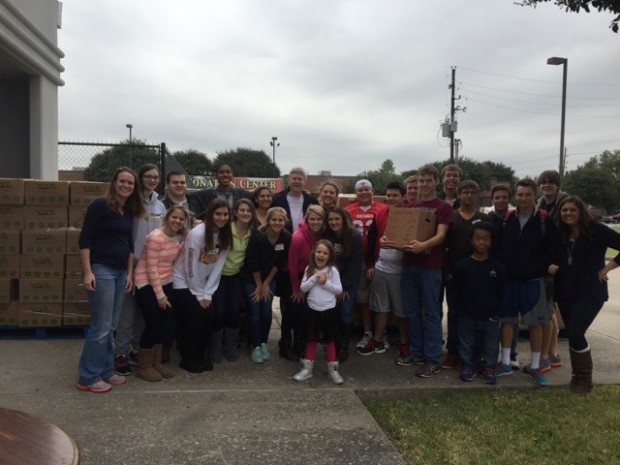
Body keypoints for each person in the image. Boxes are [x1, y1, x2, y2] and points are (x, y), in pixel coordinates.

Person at [76, 167, 145, 393]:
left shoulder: (127, 212)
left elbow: (130, 246)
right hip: (101, 270)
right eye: (122, 181)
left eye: (130, 183)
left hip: (119, 273)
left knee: (111, 326)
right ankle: (88, 377)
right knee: (101, 326)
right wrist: (88, 272)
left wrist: (128, 274)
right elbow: (85, 239)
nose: (126, 186)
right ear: (114, 183)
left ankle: (105, 371)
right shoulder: (100, 206)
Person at [548, 196, 620, 394]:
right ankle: (576, 377)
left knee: (576, 332)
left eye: (572, 210)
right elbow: (552, 257)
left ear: (581, 211)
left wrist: (606, 269)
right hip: (565, 292)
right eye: (564, 210)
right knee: (572, 334)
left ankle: (585, 380)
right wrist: (551, 266)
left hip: (590, 293)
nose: (568, 213)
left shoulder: (597, 231)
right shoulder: (560, 233)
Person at [495, 179, 556, 386]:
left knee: (535, 324)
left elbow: (552, 249)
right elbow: (500, 249)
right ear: (516, 196)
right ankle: (504, 363)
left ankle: (536, 365)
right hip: (510, 280)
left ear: (534, 195)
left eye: (527, 194)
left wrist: (544, 267)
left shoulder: (544, 220)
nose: (523, 198)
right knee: (507, 322)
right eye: (520, 194)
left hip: (533, 280)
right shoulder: (507, 219)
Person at [400, 164, 453, 378]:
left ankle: (432, 358)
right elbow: (402, 235)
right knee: (412, 311)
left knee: (431, 313)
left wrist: (423, 246)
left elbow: (441, 236)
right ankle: (416, 352)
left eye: (428, 180)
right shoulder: (411, 206)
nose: (424, 184)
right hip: (409, 265)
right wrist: (390, 241)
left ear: (436, 182)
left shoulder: (443, 207)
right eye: (421, 180)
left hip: (430, 267)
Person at [114, 163, 167, 377]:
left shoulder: (160, 206)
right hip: (133, 264)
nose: (152, 180)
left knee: (145, 314)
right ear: (141, 178)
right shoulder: (132, 203)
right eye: (148, 176)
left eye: (155, 177)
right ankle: (120, 353)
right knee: (127, 313)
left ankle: (137, 350)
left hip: (152, 267)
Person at [172, 198, 232, 374]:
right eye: (218, 214)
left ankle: (199, 355)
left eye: (225, 214)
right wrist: (199, 294)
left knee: (209, 318)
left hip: (203, 285)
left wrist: (208, 292)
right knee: (196, 317)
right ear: (210, 214)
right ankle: (188, 357)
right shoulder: (197, 234)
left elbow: (218, 267)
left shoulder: (224, 235)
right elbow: (190, 267)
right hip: (183, 281)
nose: (222, 218)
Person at [133, 206, 187, 382]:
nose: (177, 221)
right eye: (174, 217)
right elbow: (151, 268)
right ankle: (144, 366)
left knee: (165, 323)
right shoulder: (155, 237)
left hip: (166, 281)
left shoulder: (177, 237)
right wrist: (160, 296)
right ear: (167, 217)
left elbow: (175, 255)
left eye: (181, 219)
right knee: (153, 323)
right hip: (146, 282)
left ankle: (156, 362)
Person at [359, 182, 409, 363]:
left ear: (403, 197)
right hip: (381, 267)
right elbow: (372, 239)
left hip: (401, 270)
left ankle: (405, 343)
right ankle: (377, 340)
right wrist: (371, 264)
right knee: (380, 307)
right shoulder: (381, 213)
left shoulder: (410, 215)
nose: (391, 198)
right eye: (389, 195)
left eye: (395, 195)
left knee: (401, 309)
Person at [441, 180, 489, 369]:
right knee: (454, 315)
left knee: (476, 315)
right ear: (459, 195)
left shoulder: (484, 219)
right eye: (465, 192)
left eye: (472, 192)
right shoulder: (450, 217)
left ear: (477, 195)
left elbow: (490, 248)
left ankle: (476, 353)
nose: (468, 195)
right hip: (454, 276)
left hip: (478, 276)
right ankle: (453, 352)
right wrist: (446, 272)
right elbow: (442, 247)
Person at [453, 222, 506, 385]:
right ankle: (467, 366)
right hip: (467, 314)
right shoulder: (462, 266)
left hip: (490, 315)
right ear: (471, 241)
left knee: (490, 344)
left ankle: (488, 366)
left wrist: (496, 311)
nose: (482, 242)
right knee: (466, 343)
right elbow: (456, 290)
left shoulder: (497, 267)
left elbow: (501, 291)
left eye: (486, 239)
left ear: (491, 241)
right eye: (478, 238)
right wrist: (459, 309)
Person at [211, 198, 259, 363]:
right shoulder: (225, 229)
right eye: (242, 210)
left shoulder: (253, 233)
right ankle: (215, 347)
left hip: (236, 276)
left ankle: (230, 346)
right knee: (218, 311)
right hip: (219, 276)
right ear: (235, 213)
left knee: (233, 310)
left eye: (249, 211)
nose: (245, 213)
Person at [243, 207, 291, 363]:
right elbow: (252, 261)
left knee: (266, 312)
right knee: (255, 312)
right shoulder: (258, 237)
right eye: (274, 219)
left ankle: (263, 343)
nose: (277, 222)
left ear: (285, 222)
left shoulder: (286, 237)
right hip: (252, 278)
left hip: (270, 279)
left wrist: (267, 283)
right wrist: (258, 285)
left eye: (280, 220)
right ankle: (255, 345)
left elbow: (279, 262)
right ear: (268, 221)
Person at [345, 179, 389, 349]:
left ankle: (381, 331)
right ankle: (367, 332)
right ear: (356, 193)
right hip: (359, 260)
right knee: (363, 299)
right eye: (360, 190)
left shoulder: (383, 208)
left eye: (367, 189)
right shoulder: (348, 210)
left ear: (373, 191)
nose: (364, 192)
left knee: (380, 298)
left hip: (380, 259)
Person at [293, 240, 344, 384]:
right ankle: (307, 369)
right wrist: (315, 278)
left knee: (330, 340)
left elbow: (339, 290)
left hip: (329, 311)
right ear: (314, 253)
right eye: (319, 252)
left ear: (330, 256)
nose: (321, 255)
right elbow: (303, 288)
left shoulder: (332, 270)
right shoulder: (309, 269)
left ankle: (333, 370)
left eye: (325, 253)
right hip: (312, 310)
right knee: (311, 338)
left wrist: (325, 283)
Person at [535, 170, 570, 372]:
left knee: (549, 309)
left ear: (557, 185)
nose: (547, 185)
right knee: (550, 308)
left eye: (551, 182)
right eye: (543, 182)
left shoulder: (566, 203)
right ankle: (553, 351)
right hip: (546, 260)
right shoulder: (541, 204)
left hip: (559, 260)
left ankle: (549, 353)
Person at [285, 204, 326, 360]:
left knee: (305, 317)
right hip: (294, 278)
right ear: (307, 219)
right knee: (292, 315)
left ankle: (300, 345)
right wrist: (296, 288)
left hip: (310, 277)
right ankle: (286, 345)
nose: (315, 222)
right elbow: (292, 264)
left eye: (319, 219)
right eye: (312, 219)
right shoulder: (298, 237)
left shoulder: (319, 235)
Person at [324, 206, 362, 362]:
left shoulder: (354, 236)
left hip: (347, 281)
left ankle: (344, 345)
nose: (333, 222)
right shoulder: (327, 235)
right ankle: (333, 342)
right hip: (330, 280)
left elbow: (355, 264)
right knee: (331, 311)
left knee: (345, 311)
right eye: (331, 219)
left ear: (343, 220)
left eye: (337, 219)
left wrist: (343, 287)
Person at [271, 167, 318, 234]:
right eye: (294, 179)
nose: (297, 181)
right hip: (284, 239)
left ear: (304, 182)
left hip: (305, 239)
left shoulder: (312, 201)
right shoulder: (277, 199)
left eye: (300, 179)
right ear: (289, 180)